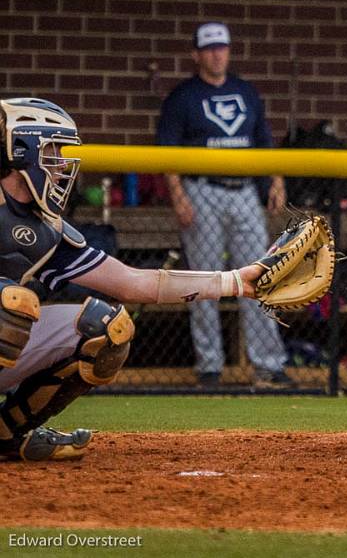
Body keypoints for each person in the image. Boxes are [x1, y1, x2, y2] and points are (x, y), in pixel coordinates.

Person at [0, 97, 289, 460]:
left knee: (105, 328)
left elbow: (134, 283)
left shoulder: (47, 230)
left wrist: (235, 281)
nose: (61, 167)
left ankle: (7, 432)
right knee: (10, 303)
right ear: (20, 150)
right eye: (52, 152)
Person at [156, 22, 289, 387]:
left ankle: (269, 364)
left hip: (244, 190)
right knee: (206, 279)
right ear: (196, 54)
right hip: (202, 190)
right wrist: (178, 196)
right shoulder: (183, 96)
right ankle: (210, 366)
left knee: (259, 276)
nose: (217, 54)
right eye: (210, 48)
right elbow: (167, 152)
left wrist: (275, 180)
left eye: (222, 47)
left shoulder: (245, 92)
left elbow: (264, 141)